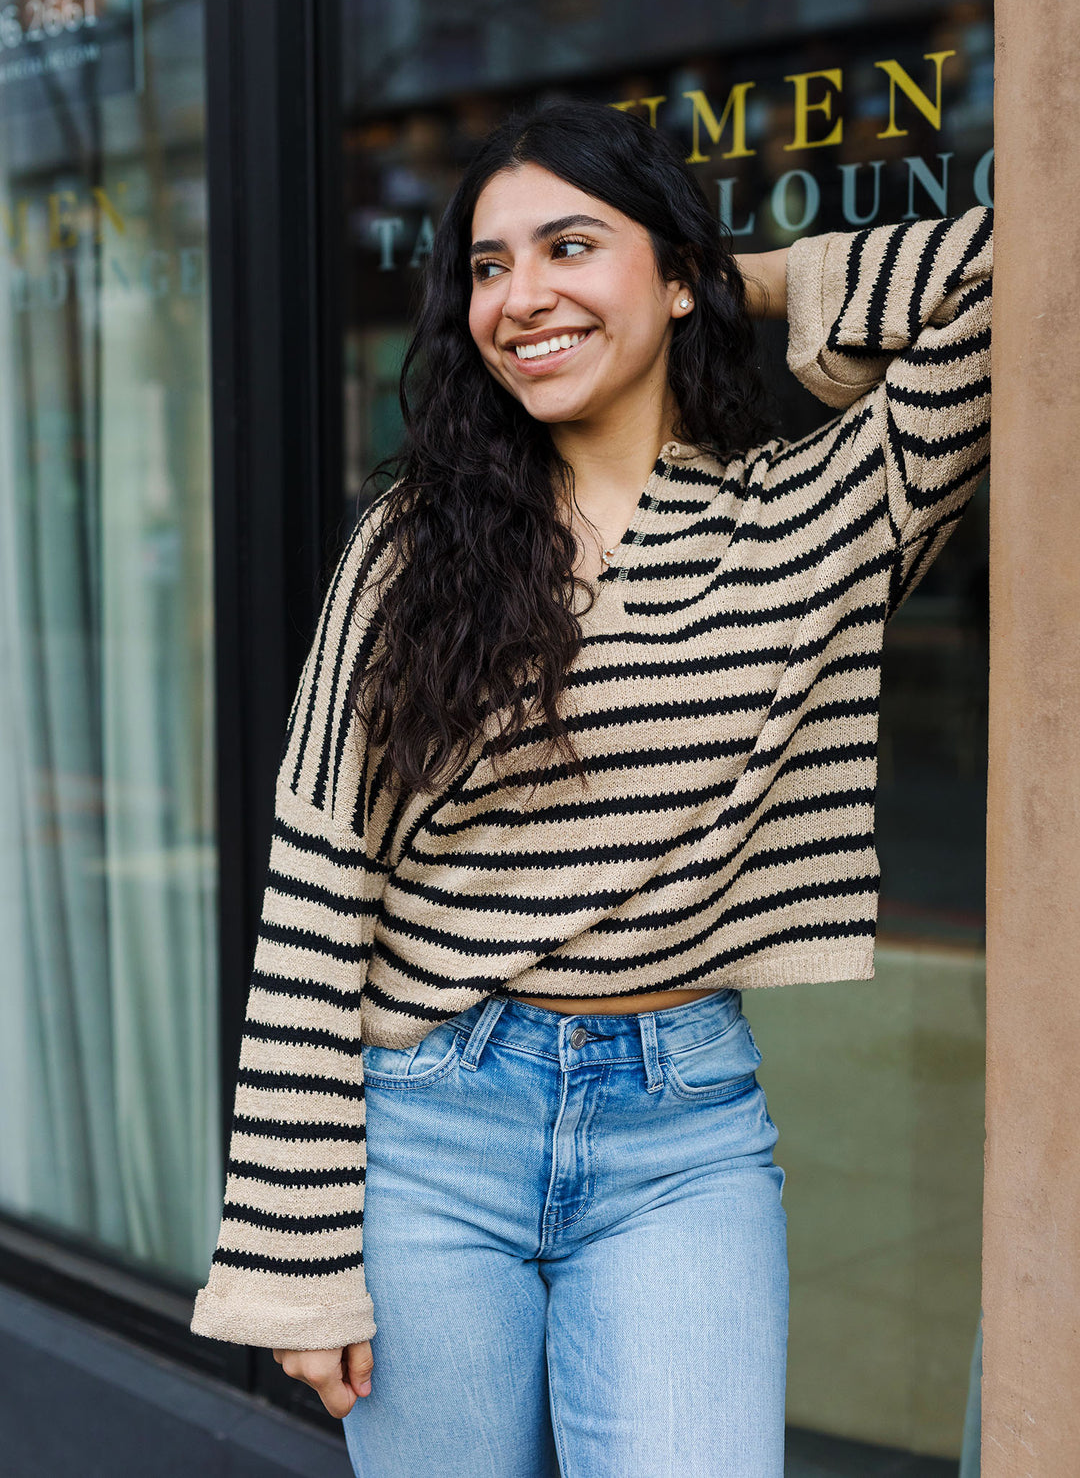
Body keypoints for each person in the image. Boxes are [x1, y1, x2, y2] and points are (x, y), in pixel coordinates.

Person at [190, 100, 993, 1478]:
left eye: (572, 245)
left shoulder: (811, 519)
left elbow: (1011, 275)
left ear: (674, 272)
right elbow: (321, 877)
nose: (520, 298)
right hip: (433, 1122)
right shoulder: (414, 538)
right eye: (488, 267)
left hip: (683, 1137)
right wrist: (290, 1250)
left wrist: (732, 274)